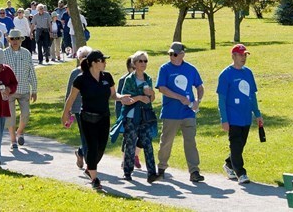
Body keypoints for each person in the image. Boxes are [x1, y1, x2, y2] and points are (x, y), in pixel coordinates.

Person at [62, 50, 132, 190]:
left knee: (101, 148)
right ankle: (95, 179)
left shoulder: (107, 77)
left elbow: (113, 94)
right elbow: (72, 97)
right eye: (102, 60)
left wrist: (121, 97)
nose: (105, 63)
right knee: (93, 148)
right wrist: (65, 114)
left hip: (104, 117)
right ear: (94, 63)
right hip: (87, 118)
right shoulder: (81, 79)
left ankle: (90, 168)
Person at [155, 42, 205, 183]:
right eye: (170, 54)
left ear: (182, 54)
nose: (172, 56)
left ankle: (194, 171)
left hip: (188, 112)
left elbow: (200, 87)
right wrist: (179, 97)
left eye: (175, 54)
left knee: (190, 141)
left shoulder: (191, 69)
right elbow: (162, 88)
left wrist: (197, 100)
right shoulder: (165, 69)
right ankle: (162, 168)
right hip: (171, 112)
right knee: (166, 141)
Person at [217, 44, 263, 184]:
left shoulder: (248, 73)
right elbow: (222, 99)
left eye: (245, 55)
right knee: (236, 144)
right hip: (233, 117)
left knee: (240, 145)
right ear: (234, 56)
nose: (243, 58)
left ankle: (229, 164)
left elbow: (252, 96)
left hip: (246, 116)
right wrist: (224, 119)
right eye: (241, 55)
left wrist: (258, 114)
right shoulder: (226, 74)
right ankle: (241, 173)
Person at [117, 51, 158, 183]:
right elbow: (124, 99)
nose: (143, 63)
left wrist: (150, 93)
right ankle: (127, 171)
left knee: (147, 144)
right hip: (132, 116)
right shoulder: (129, 79)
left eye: (145, 61)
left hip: (145, 116)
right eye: (140, 61)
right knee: (130, 143)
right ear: (134, 64)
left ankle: (152, 173)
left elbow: (152, 98)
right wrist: (139, 97)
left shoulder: (148, 78)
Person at [3, 29, 38, 149]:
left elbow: (31, 72)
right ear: (9, 40)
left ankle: (20, 131)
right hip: (9, 91)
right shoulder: (4, 53)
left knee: (26, 114)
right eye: (12, 39)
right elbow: (0, 73)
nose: (15, 41)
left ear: (21, 40)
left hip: (24, 90)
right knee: (10, 117)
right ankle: (13, 140)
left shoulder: (26, 53)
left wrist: (34, 90)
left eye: (17, 39)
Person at [64, 46, 92, 169]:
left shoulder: (94, 72)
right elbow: (69, 93)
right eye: (82, 57)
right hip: (77, 109)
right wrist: (67, 110)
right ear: (78, 59)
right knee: (85, 135)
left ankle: (81, 152)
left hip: (92, 108)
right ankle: (90, 165)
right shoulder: (75, 73)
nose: (84, 59)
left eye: (87, 57)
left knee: (91, 136)